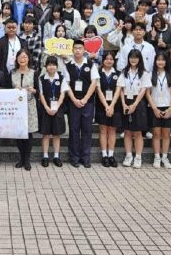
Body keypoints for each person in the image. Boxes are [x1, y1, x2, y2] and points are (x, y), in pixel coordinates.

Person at [66, 39, 99, 168]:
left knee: (87, 130)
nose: (78, 50)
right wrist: (74, 99)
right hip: (73, 103)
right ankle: (74, 158)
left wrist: (85, 99)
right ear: (72, 50)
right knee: (74, 130)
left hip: (88, 103)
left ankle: (86, 158)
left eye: (80, 48)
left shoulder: (90, 64)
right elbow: (66, 85)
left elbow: (94, 83)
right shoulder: (68, 65)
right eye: (75, 48)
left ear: (84, 50)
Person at [116, 48, 151, 169]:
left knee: (137, 132)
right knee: (127, 131)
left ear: (139, 59)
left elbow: (143, 90)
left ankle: (138, 157)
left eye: (136, 57)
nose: (133, 60)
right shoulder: (124, 72)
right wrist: (123, 104)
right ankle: (128, 156)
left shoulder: (144, 73)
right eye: (131, 57)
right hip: (126, 101)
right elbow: (121, 89)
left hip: (138, 102)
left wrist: (134, 104)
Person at [146, 51, 171, 169]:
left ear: (166, 61)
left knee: (166, 134)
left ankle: (165, 157)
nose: (160, 62)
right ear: (155, 61)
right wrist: (154, 108)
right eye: (158, 60)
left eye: (163, 60)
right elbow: (147, 93)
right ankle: (157, 157)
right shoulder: (150, 75)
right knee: (156, 134)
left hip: (168, 107)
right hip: (154, 107)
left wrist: (170, 108)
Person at [39, 55, 67, 167]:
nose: (51, 67)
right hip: (45, 109)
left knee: (56, 134)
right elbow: (41, 94)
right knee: (45, 134)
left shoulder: (61, 78)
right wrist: (46, 107)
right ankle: (45, 156)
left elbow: (62, 94)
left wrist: (56, 107)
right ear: (46, 66)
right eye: (49, 65)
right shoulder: (41, 78)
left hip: (57, 110)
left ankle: (56, 156)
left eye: (54, 65)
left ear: (57, 66)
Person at [12, 48, 38, 170]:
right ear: (16, 59)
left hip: (29, 105)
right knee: (18, 133)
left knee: (28, 133)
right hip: (16, 107)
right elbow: (7, 88)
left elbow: (39, 91)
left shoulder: (34, 73)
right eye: (20, 57)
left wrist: (33, 90)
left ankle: (27, 160)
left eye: (25, 57)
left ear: (28, 59)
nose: (22, 59)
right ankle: (21, 158)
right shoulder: (12, 73)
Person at [95, 51, 121, 167]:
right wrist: (106, 106)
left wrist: (111, 106)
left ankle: (111, 155)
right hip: (102, 105)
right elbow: (98, 90)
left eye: (111, 59)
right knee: (103, 130)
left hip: (115, 105)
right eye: (107, 59)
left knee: (112, 130)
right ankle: (104, 155)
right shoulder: (98, 73)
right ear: (103, 60)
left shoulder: (119, 74)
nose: (109, 61)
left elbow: (118, 90)